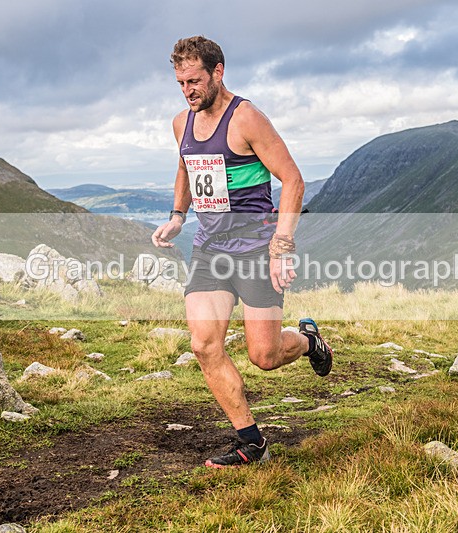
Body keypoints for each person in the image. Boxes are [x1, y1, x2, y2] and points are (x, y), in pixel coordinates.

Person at [152, 36, 332, 467]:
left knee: (264, 356)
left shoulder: (246, 118)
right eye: (180, 83)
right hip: (210, 249)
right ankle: (251, 440)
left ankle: (308, 341)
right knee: (203, 344)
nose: (187, 90)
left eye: (194, 80)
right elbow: (185, 167)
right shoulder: (182, 123)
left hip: (256, 249)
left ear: (218, 72)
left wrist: (282, 244)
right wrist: (178, 215)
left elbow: (293, 180)